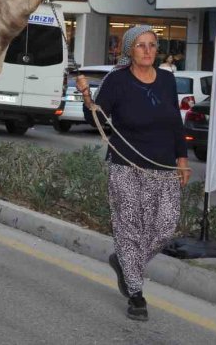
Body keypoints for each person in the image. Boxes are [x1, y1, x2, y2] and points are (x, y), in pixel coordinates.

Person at [76, 24, 190, 322]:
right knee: (129, 230)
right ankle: (136, 295)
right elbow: (95, 116)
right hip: (126, 165)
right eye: (141, 45)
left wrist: (182, 158)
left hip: (164, 168)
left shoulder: (166, 80)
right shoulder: (117, 81)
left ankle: (124, 263)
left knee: (164, 228)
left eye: (152, 45)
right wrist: (86, 94)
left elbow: (175, 123)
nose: (148, 50)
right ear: (129, 50)